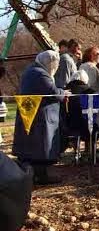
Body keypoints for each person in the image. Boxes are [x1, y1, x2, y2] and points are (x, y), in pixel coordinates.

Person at [13, 51, 69, 185]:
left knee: (33, 148)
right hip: (38, 117)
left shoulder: (31, 70)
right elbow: (53, 92)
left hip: (32, 114)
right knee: (39, 148)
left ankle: (35, 175)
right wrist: (64, 92)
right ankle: (40, 176)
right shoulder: (40, 73)